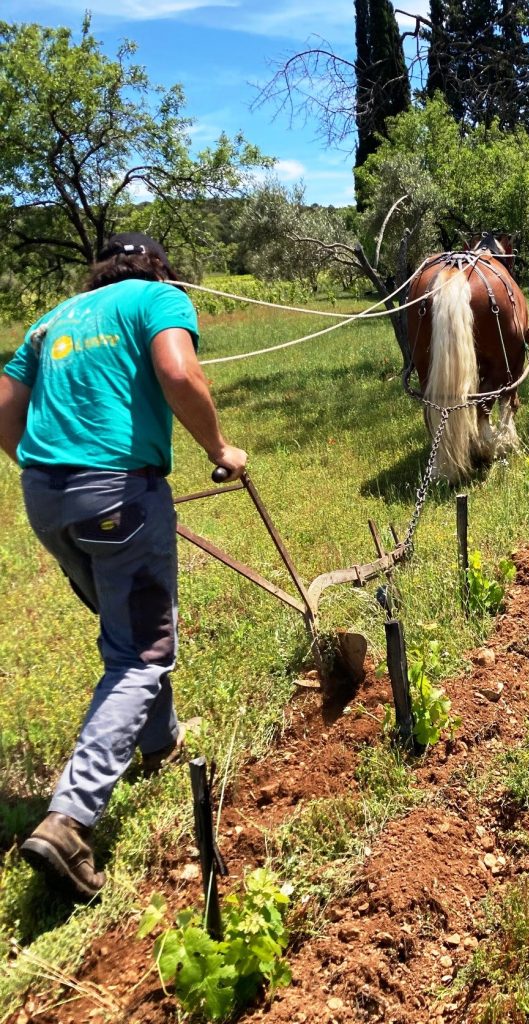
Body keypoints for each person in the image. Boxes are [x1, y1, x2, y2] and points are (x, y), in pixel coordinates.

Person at [0, 232, 247, 899]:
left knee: (130, 627)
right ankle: (71, 820)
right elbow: (179, 374)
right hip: (119, 496)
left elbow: (4, 410)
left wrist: (54, 472)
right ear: (158, 267)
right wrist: (220, 448)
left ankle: (159, 742)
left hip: (45, 497)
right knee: (139, 655)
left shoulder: (53, 318)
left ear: (100, 271)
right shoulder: (157, 298)